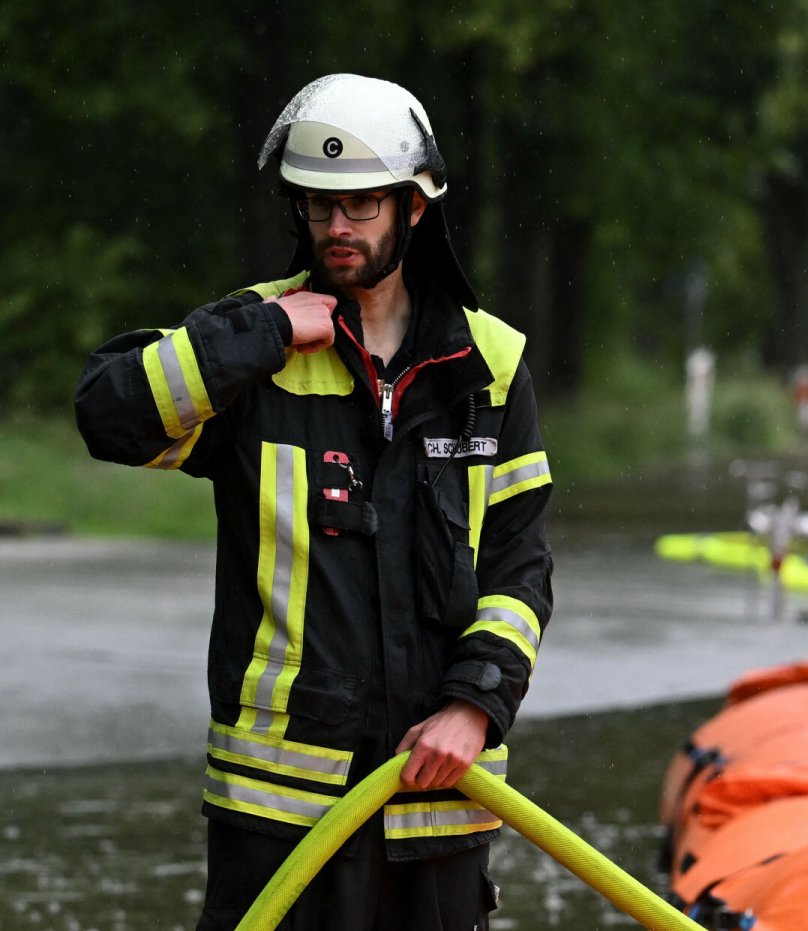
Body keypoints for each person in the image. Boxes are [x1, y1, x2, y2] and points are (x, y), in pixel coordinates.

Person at [74, 74, 554, 929]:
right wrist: (259, 336)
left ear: (414, 205)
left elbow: (520, 564)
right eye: (318, 205)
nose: (337, 227)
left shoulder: (490, 365)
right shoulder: (252, 344)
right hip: (278, 812)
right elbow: (107, 415)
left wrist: (473, 705)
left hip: (436, 800)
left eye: (362, 204)